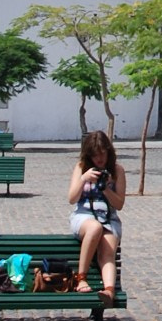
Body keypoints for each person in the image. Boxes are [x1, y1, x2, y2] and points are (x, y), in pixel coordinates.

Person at [68, 129, 125, 303]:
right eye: (94, 155)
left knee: (107, 252)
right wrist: (84, 178)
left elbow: (119, 204)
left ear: (109, 151)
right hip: (83, 216)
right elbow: (71, 199)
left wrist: (106, 188)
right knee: (95, 228)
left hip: (109, 218)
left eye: (102, 154)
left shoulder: (117, 171)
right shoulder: (81, 168)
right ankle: (81, 278)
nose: (99, 159)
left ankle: (108, 291)